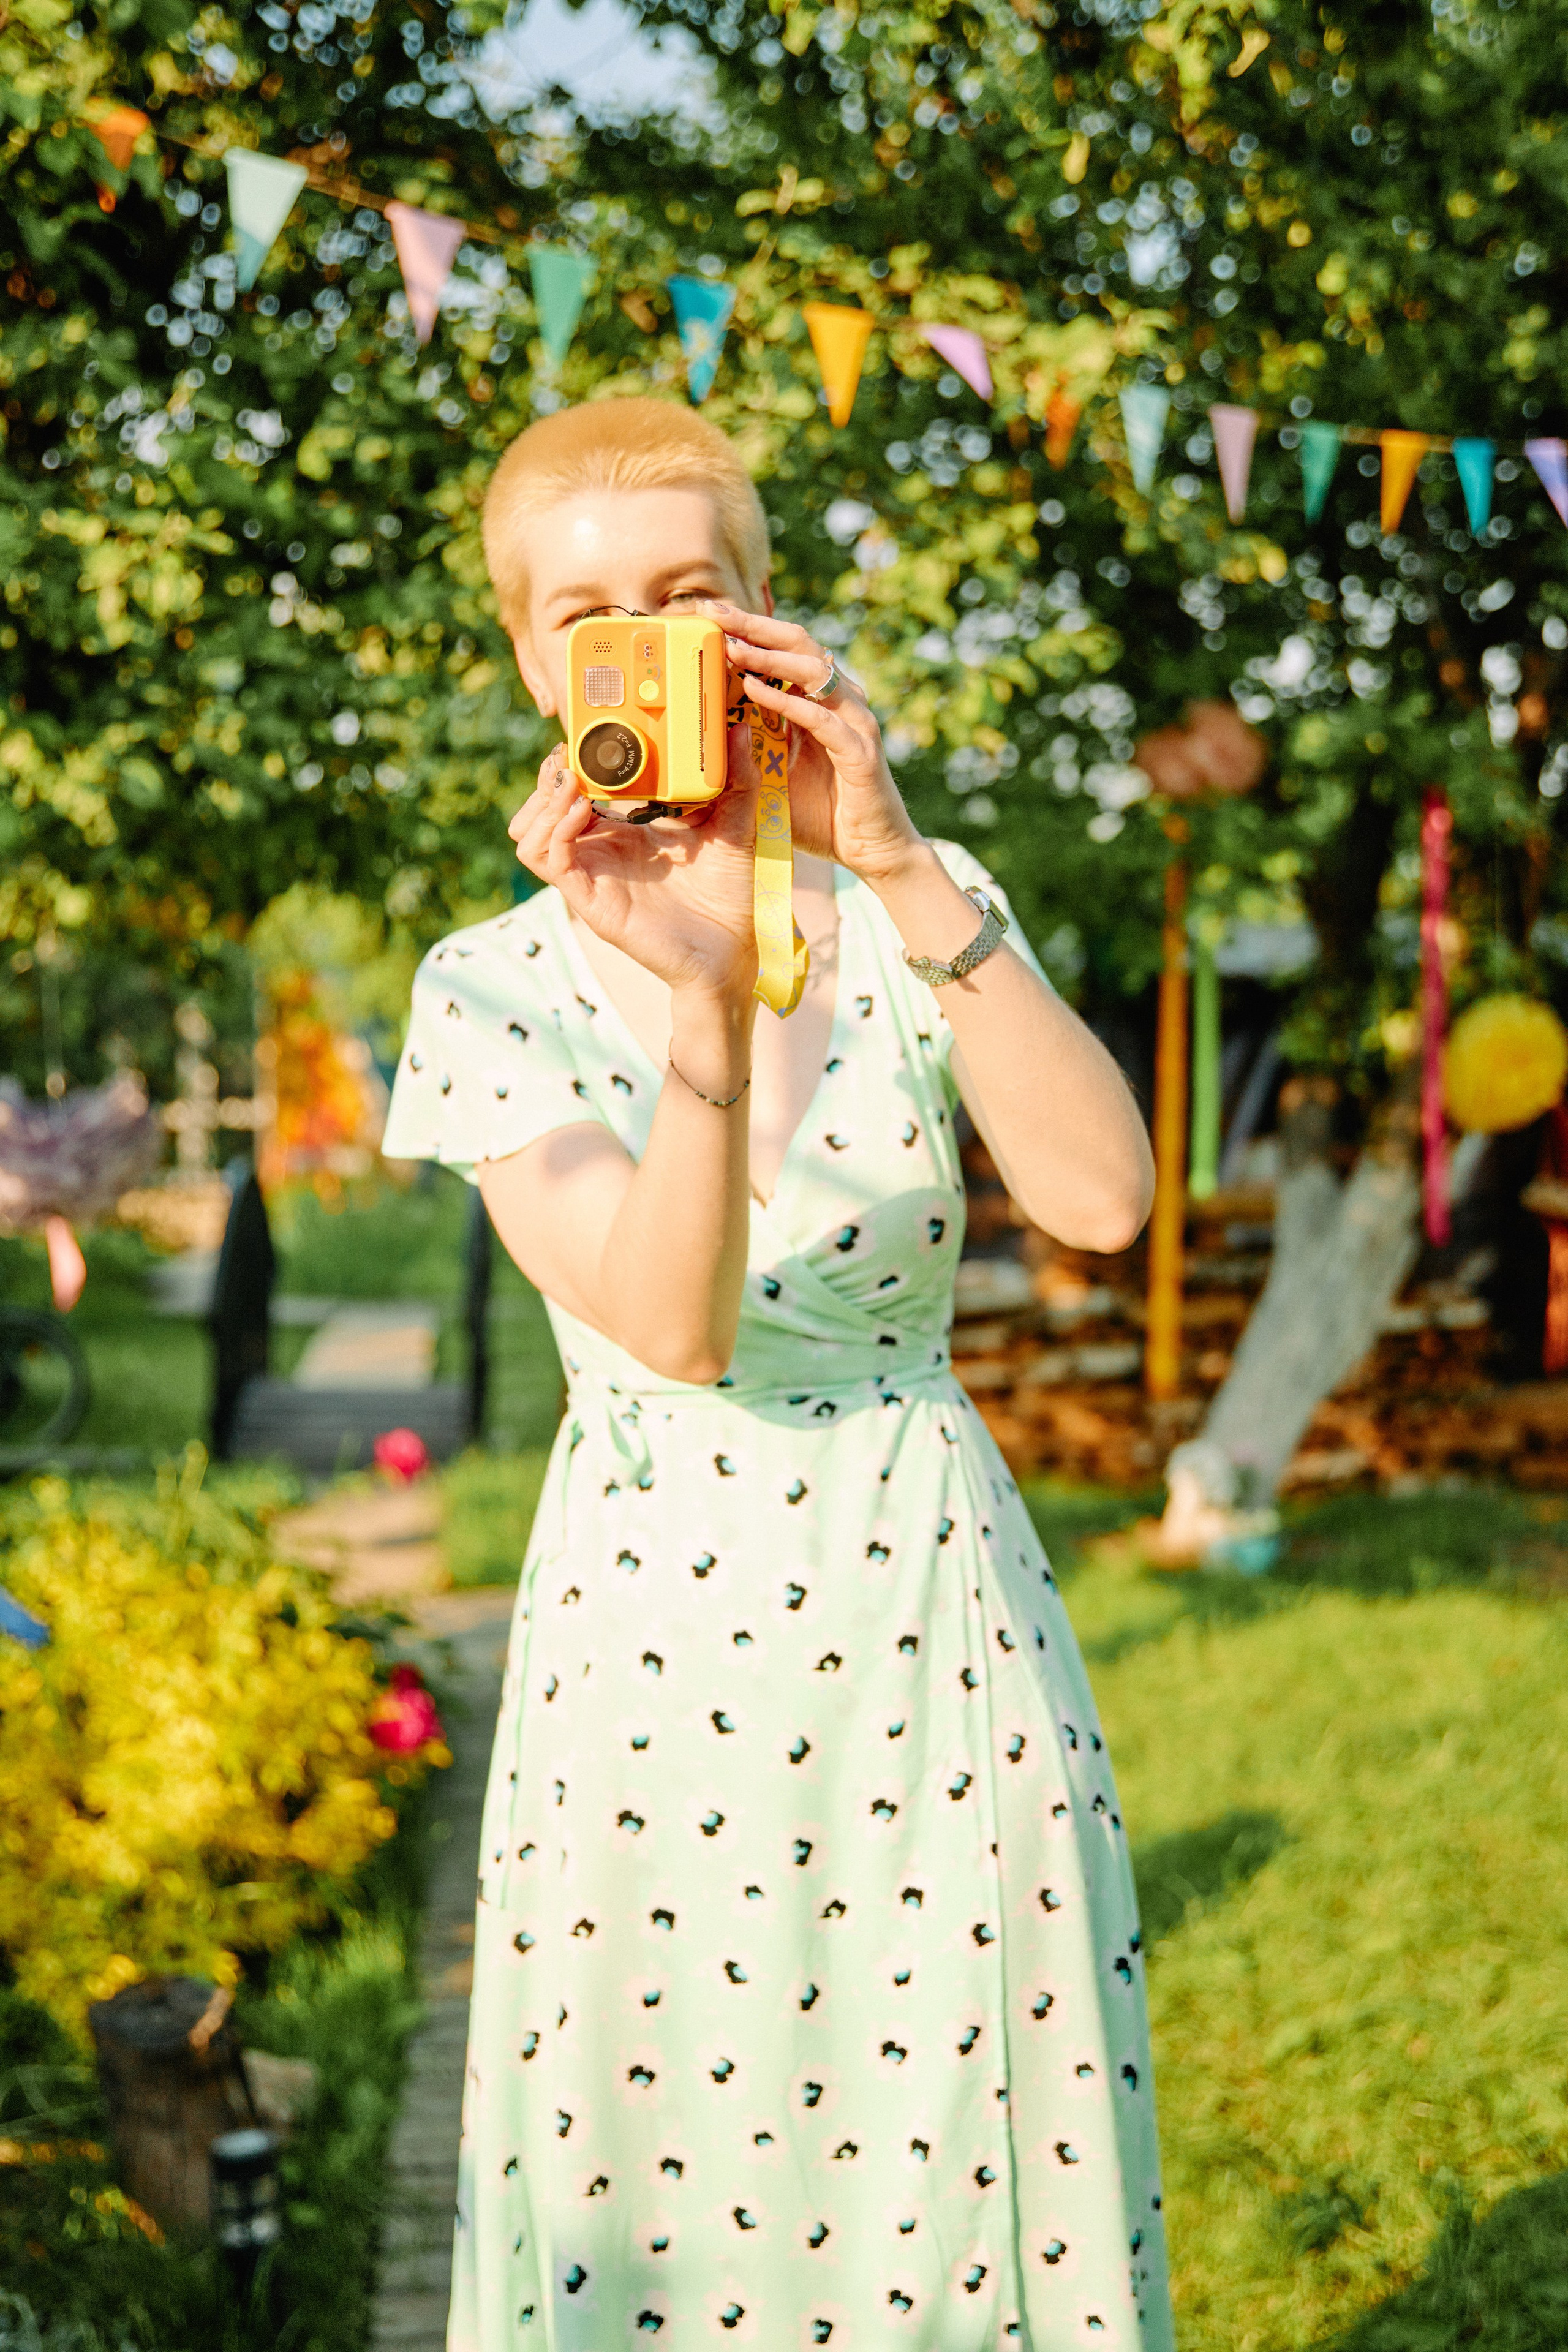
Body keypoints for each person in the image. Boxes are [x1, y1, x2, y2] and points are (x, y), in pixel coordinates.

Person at [382, 396, 1172, 2351]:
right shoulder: (491, 980)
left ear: (763, 617)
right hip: (645, 1676)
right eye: (586, 615)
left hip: (933, 1622)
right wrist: (706, 992)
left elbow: (1103, 1200)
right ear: (525, 658)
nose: (638, 639)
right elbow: (674, 1329)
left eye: (687, 593)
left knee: (965, 2170)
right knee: (658, 2209)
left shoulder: (913, 906)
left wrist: (892, 861)